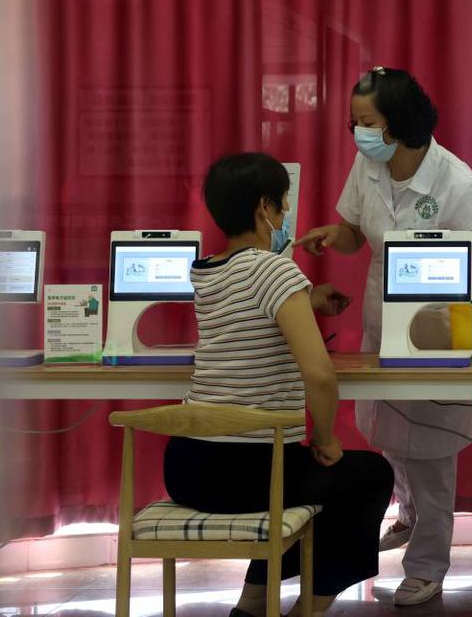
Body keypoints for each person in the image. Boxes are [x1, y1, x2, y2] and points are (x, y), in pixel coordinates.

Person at [297, 67, 472, 607]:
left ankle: (428, 565)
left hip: (439, 330)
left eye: (367, 122)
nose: (358, 132)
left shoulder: (456, 182)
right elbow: (355, 232)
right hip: (383, 322)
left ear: (399, 123)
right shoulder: (369, 164)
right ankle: (409, 513)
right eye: (354, 122)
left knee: (433, 451)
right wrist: (334, 235)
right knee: (389, 433)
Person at [165, 153, 393, 617]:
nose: (287, 212)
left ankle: (252, 604)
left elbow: (248, 308)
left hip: (187, 466)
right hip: (247, 471)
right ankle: (308, 608)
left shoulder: (205, 270)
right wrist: (325, 438)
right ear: (264, 207)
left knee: (307, 482)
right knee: (367, 476)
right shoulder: (275, 270)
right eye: (283, 202)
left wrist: (307, 299)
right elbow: (320, 375)